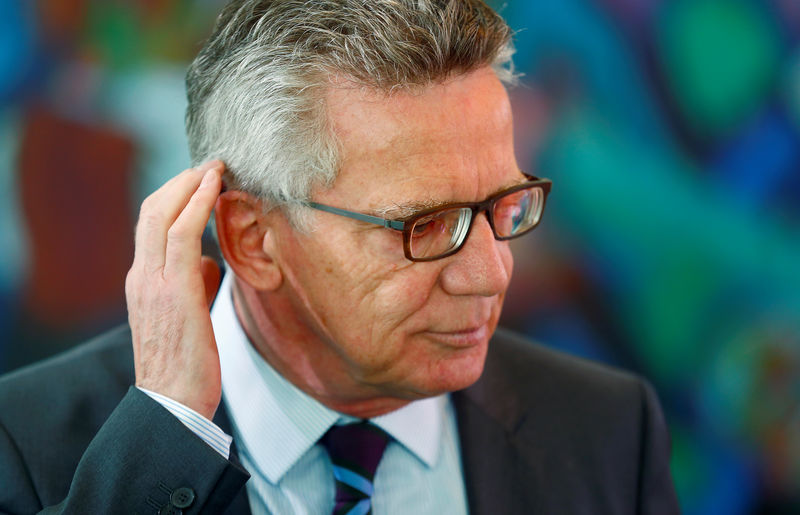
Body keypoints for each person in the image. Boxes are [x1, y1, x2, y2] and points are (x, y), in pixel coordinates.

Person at [0, 0, 680, 513]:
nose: (489, 273)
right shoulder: (27, 448)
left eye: (504, 206)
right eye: (426, 224)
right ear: (253, 239)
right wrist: (168, 435)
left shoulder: (611, 430)